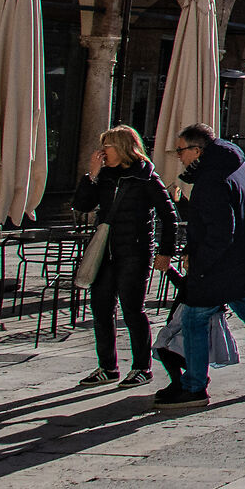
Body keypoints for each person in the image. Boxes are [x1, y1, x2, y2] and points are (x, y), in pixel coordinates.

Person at [155, 126, 245, 410]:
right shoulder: (239, 166)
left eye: (181, 150)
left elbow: (219, 232)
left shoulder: (211, 179)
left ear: (197, 151)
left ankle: (194, 387)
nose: (179, 157)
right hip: (244, 257)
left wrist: (199, 262)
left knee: (194, 319)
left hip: (219, 265)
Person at [72, 124, 176, 386]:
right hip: (105, 252)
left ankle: (142, 367)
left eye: (106, 146)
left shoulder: (146, 176)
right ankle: (108, 367)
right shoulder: (104, 176)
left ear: (121, 147)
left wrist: (165, 252)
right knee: (101, 309)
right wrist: (91, 176)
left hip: (134, 251)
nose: (102, 151)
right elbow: (82, 205)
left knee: (132, 310)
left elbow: (169, 216)